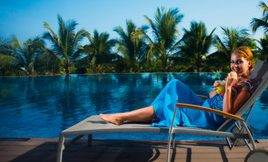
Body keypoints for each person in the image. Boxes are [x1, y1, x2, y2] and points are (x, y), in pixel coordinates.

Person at [100, 46, 255, 130]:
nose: (234, 66)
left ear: (249, 63)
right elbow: (211, 96)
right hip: (205, 106)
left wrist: (227, 89)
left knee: (163, 106)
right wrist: (217, 88)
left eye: (239, 62)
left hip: (209, 116)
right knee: (174, 83)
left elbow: (228, 115)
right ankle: (130, 116)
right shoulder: (232, 79)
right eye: (232, 62)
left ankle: (121, 117)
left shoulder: (245, 88)